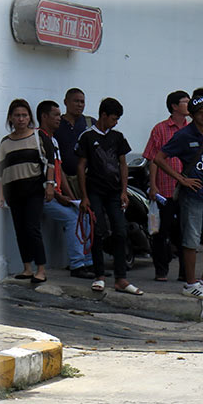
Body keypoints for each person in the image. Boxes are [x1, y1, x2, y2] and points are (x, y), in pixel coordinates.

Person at [154, 95, 203, 300]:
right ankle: (190, 283)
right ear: (192, 115)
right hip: (192, 195)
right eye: (201, 112)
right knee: (191, 240)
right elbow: (159, 158)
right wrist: (181, 179)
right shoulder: (184, 135)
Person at [77, 98, 143, 295]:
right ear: (103, 115)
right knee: (97, 231)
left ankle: (121, 278)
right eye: (114, 118)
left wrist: (124, 190)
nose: (115, 122)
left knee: (120, 231)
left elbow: (123, 164)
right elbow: (81, 166)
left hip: (114, 192)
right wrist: (84, 196)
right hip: (94, 191)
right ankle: (99, 276)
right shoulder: (87, 137)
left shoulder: (118, 137)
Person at [0, 99, 55, 283]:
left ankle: (41, 269)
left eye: (24, 115)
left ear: (30, 117)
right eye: (17, 115)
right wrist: (0, 195)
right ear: (10, 118)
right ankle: (27, 268)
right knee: (20, 230)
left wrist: (50, 186)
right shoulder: (5, 143)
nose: (21, 119)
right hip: (13, 192)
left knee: (32, 228)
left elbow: (51, 163)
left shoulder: (38, 137)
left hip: (34, 191)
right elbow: (1, 172)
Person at [37, 99, 94, 279]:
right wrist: (58, 196)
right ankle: (77, 265)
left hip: (58, 194)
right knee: (73, 218)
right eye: (55, 115)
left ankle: (88, 262)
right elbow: (42, 172)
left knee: (84, 214)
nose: (59, 119)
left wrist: (71, 197)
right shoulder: (38, 138)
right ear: (44, 117)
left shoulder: (53, 140)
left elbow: (59, 170)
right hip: (44, 195)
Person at [143, 90, 190, 282]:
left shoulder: (192, 129)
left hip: (187, 190)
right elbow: (153, 159)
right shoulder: (160, 129)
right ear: (174, 106)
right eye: (185, 102)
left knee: (185, 232)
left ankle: (185, 273)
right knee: (161, 233)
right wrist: (153, 186)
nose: (189, 105)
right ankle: (161, 270)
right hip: (165, 189)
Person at [54, 88, 96, 198]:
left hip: (88, 181)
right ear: (65, 102)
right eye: (76, 101)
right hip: (64, 181)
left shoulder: (90, 124)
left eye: (82, 102)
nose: (79, 105)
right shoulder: (57, 125)